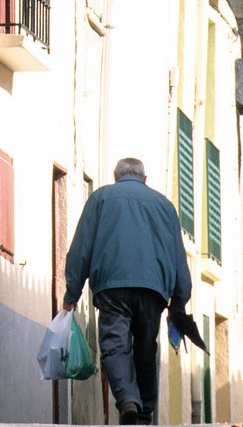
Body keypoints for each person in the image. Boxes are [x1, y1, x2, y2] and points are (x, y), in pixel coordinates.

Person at [62, 156, 193, 427]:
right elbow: (178, 256)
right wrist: (180, 299)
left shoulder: (100, 199)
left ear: (115, 176)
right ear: (145, 179)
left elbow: (81, 249)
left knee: (114, 346)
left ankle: (128, 400)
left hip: (112, 287)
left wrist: (71, 295)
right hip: (153, 290)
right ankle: (143, 415)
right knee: (146, 351)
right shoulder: (165, 206)